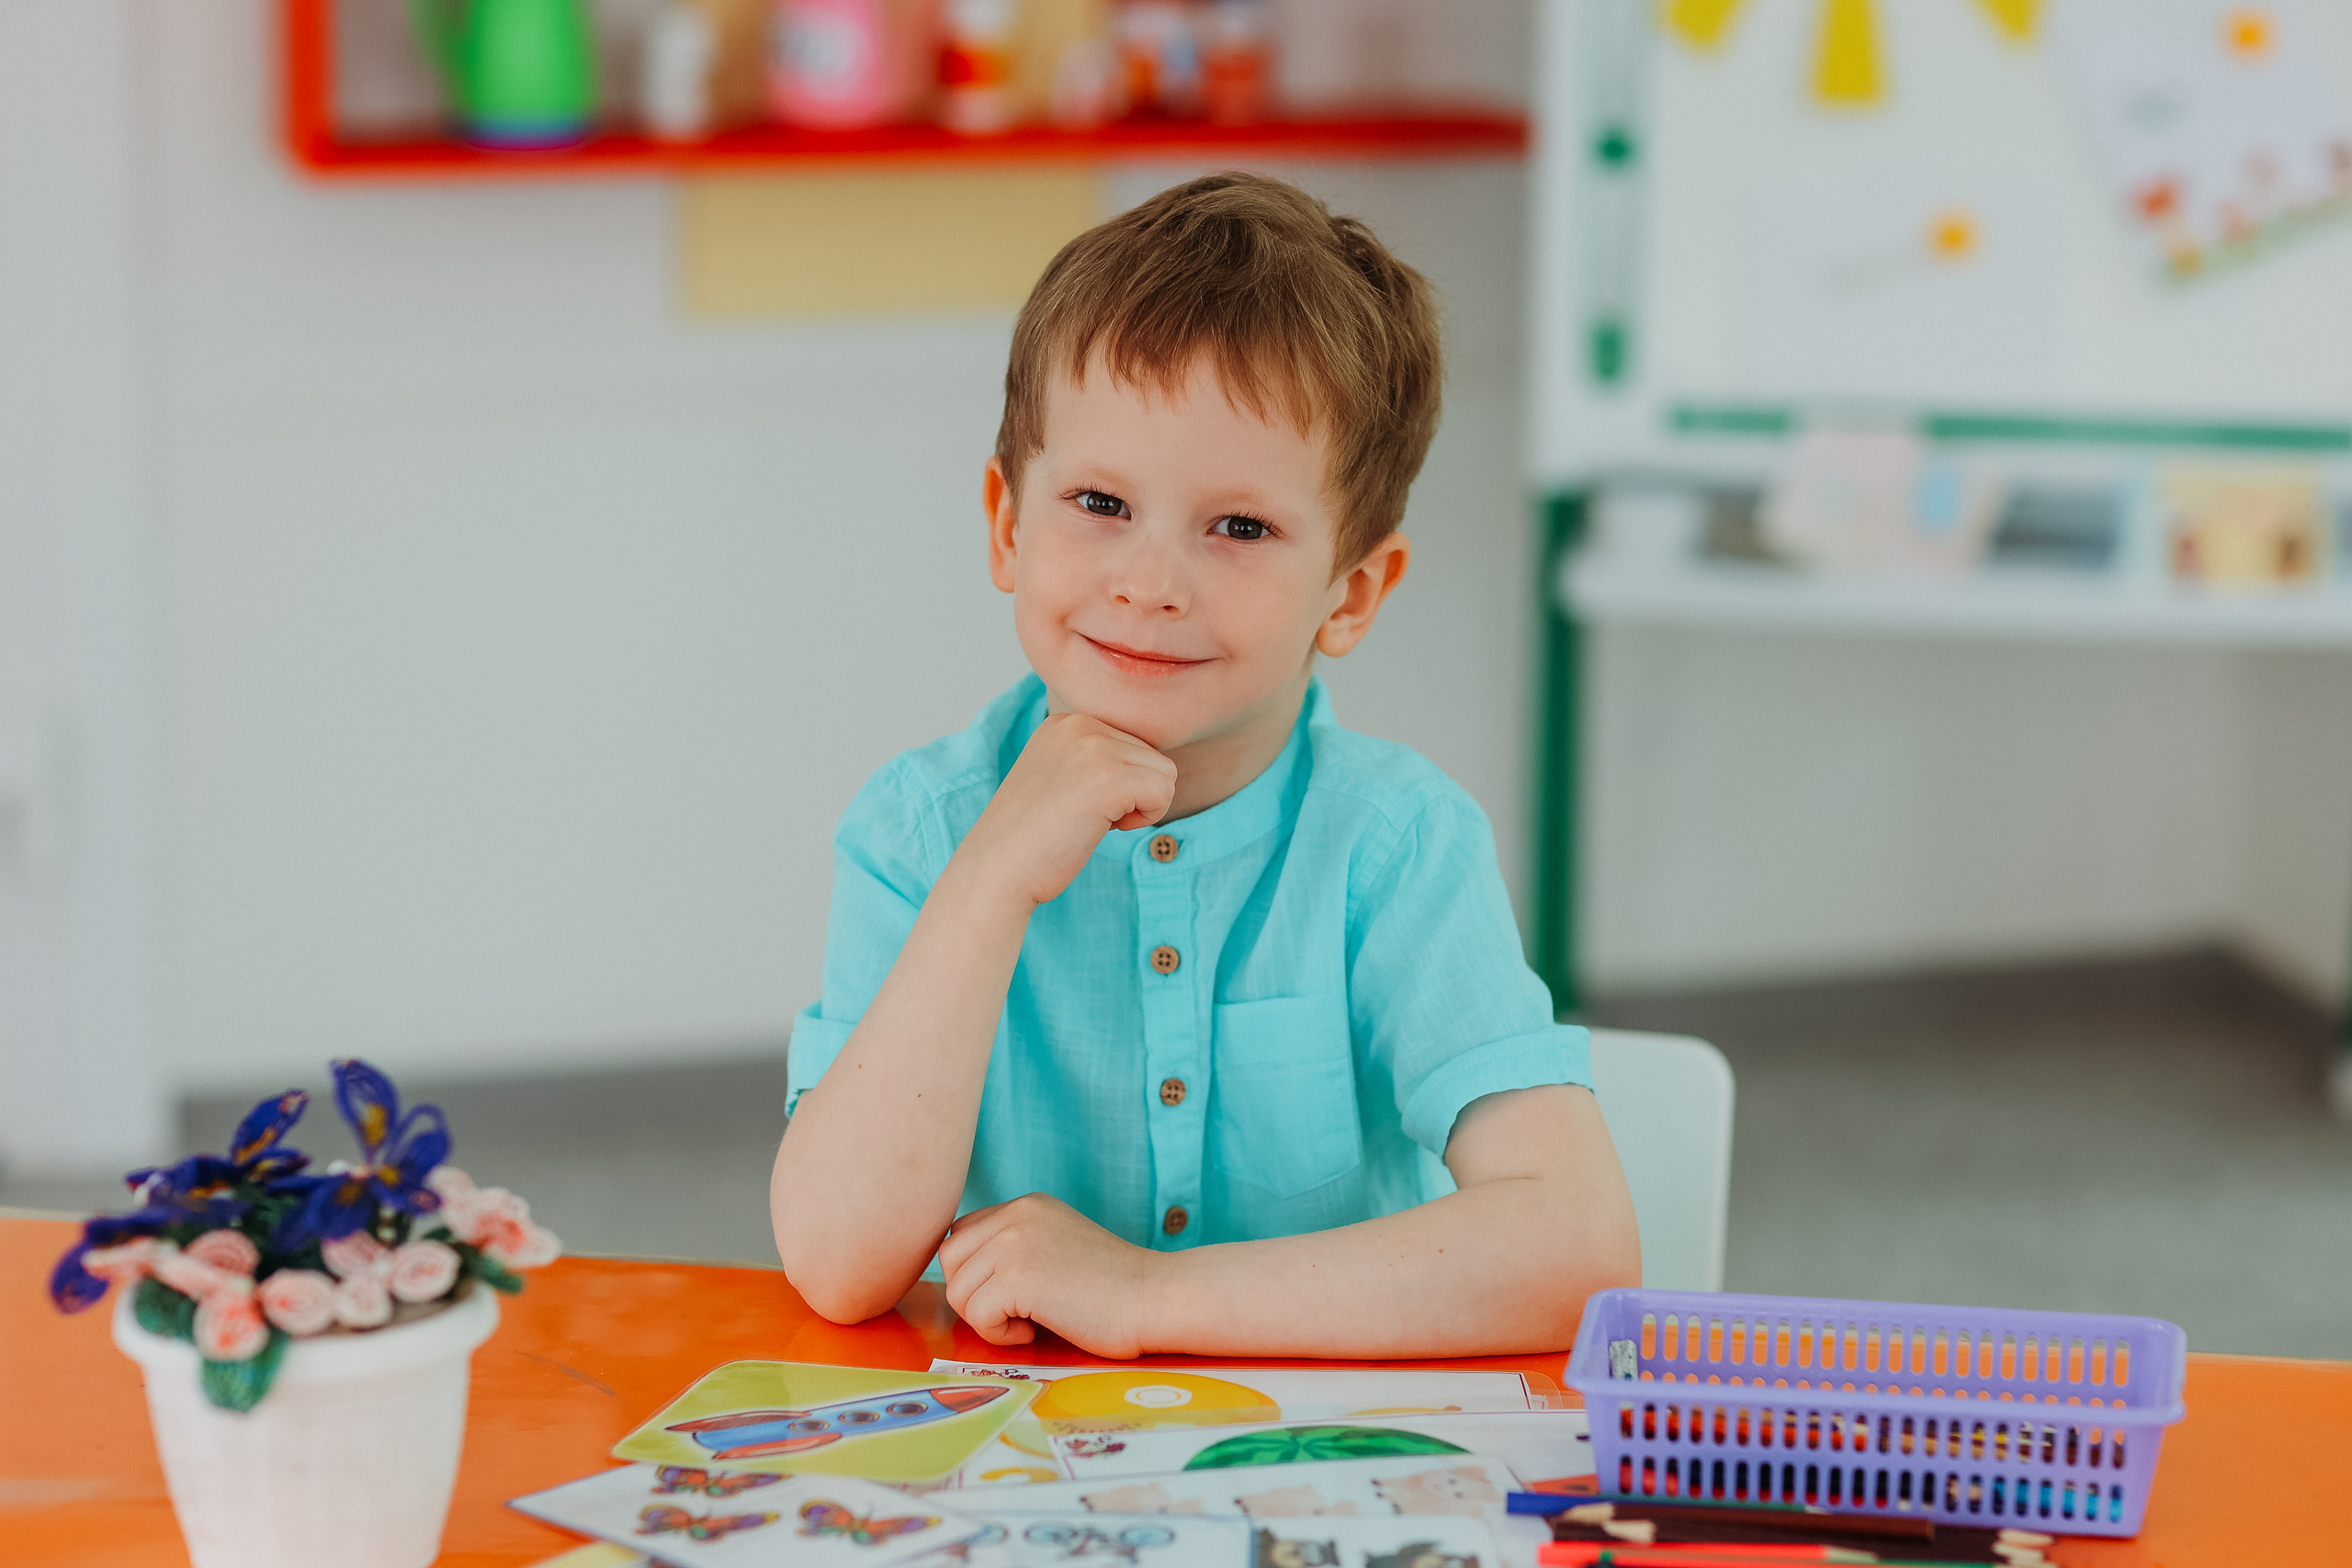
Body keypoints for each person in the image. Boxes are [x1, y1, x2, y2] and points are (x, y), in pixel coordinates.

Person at [771, 172, 1638, 1358]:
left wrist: (1149, 1296)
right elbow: (835, 1263)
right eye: (1098, 501)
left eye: (1239, 528)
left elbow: (1577, 1244)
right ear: (1006, 526)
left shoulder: (1396, 842)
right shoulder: (920, 830)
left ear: (1353, 592)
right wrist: (991, 885)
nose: (1151, 581)